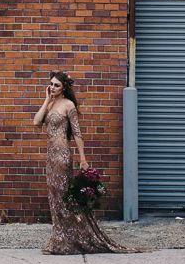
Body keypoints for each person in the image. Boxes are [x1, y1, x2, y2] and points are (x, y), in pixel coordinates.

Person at [33, 70, 133, 254]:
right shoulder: (51, 103)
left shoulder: (68, 105)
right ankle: (60, 239)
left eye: (57, 85)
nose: (53, 87)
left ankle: (73, 239)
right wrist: (46, 99)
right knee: (54, 198)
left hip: (62, 156)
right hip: (50, 157)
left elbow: (77, 133)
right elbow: (36, 122)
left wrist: (83, 159)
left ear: (64, 88)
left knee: (64, 198)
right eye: (51, 84)